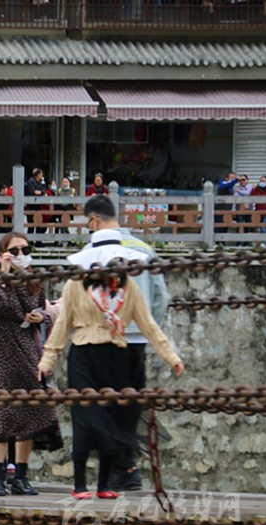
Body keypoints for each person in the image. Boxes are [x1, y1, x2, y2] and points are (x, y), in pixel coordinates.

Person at [38, 258, 184, 500]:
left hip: (116, 357)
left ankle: (104, 484)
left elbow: (148, 324)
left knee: (111, 420)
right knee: (85, 418)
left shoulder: (129, 287)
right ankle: (79, 483)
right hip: (83, 355)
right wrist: (47, 361)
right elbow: (62, 324)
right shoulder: (76, 284)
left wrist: (171, 357)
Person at [78, 196, 170, 490]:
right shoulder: (144, 249)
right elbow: (161, 297)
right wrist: (147, 328)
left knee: (101, 403)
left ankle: (122, 466)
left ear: (94, 221)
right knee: (130, 401)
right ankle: (126, 465)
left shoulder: (92, 252)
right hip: (137, 339)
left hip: (103, 337)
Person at [0, 232, 61, 497]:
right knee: (2, 414)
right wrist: (5, 275)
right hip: (1, 351)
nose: (20, 255)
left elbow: (43, 311)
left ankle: (21, 476)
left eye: (24, 250)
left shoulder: (35, 282)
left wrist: (40, 317)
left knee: (30, 413)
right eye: (14, 250)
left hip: (28, 351)